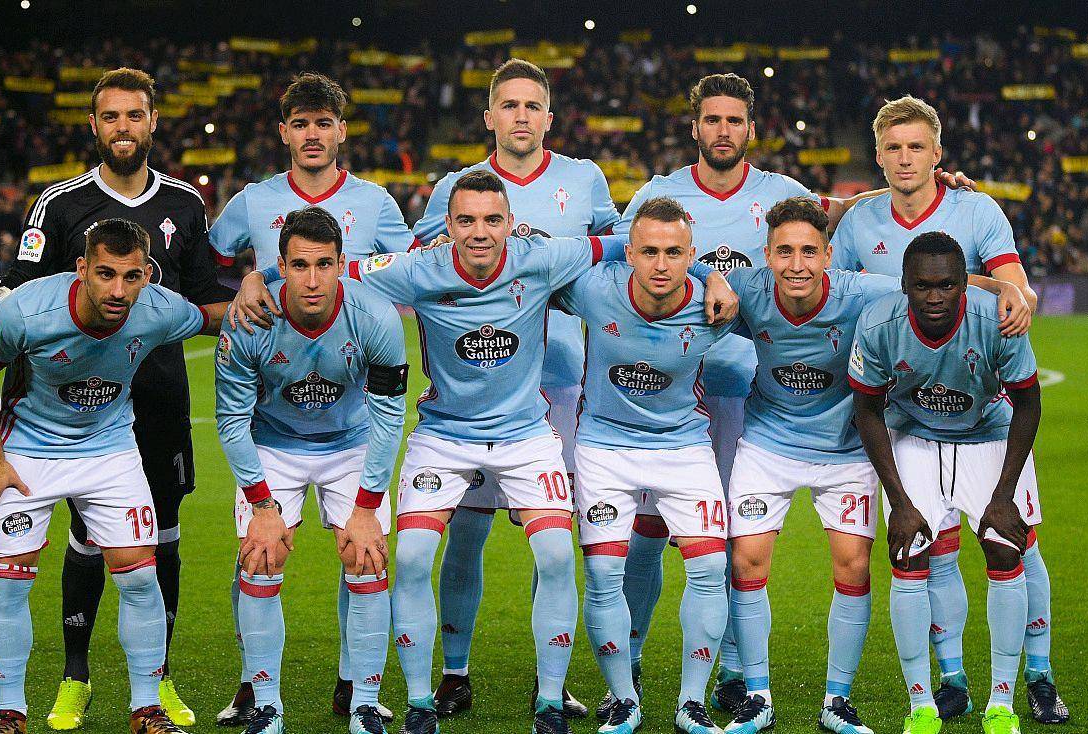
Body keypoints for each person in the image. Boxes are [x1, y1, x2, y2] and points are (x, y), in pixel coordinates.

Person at [238, 170, 731, 734]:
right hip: (443, 436)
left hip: (524, 435)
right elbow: (337, 267)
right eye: (467, 220)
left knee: (557, 555)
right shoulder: (417, 268)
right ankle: (420, 704)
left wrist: (708, 272)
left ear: (510, 223)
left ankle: (550, 703)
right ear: (447, 226)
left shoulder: (540, 258)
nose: (480, 232)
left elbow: (630, 245)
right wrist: (260, 277)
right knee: (412, 557)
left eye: (493, 220)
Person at [610, 73, 974, 721]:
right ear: (695, 127)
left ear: (751, 128)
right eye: (712, 119)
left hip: (752, 397)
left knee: (737, 547)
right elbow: (617, 255)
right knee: (653, 530)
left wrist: (928, 185)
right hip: (680, 396)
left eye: (735, 120)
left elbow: (834, 217)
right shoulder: (659, 194)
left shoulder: (783, 193)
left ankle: (735, 674)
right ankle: (630, 663)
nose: (723, 130)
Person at [0, 67, 233, 730]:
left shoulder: (185, 204)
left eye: (135, 115)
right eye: (111, 116)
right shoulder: (59, 205)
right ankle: (71, 678)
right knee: (67, 549)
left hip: (149, 403)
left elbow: (206, 304)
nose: (124, 127)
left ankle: (154, 689)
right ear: (94, 125)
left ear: (153, 121)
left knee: (156, 547)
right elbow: (18, 297)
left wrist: (263, 300)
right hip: (52, 405)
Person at [722, 198, 1028, 734]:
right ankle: (756, 695)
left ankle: (836, 700)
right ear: (766, 256)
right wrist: (711, 280)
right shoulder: (746, 288)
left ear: (828, 256)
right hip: (768, 443)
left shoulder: (863, 291)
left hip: (845, 449)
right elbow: (689, 275)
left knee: (854, 567)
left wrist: (1005, 288)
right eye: (784, 252)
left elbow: (932, 283)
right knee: (745, 561)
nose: (797, 264)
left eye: (809, 252)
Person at [832, 95, 1065, 724]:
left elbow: (1016, 289)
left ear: (938, 154)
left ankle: (1038, 674)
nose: (905, 158)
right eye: (893, 148)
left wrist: (1003, 292)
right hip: (907, 416)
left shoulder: (975, 209)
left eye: (917, 147)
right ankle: (953, 677)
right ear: (878, 156)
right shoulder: (858, 224)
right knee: (931, 551)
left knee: (1019, 547)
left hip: (985, 412)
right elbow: (837, 295)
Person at [411, 58, 618, 719]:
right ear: (489, 117)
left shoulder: (584, 179)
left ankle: (548, 680)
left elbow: (617, 253)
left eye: (533, 106)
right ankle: (455, 672)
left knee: (550, 541)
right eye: (509, 105)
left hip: (562, 385)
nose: (521, 116)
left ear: (549, 118)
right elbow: (423, 264)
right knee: (466, 534)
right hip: (477, 391)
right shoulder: (458, 189)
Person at [0, 219, 224, 734]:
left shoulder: (158, 309)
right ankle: (9, 713)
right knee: (10, 578)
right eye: (106, 274)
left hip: (109, 451)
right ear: (82, 269)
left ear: (147, 275)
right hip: (28, 451)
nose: (118, 290)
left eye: (131, 277)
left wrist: (268, 293)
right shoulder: (27, 310)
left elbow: (215, 316)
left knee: (141, 577)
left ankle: (146, 710)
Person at [210, 71, 411, 725]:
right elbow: (229, 419)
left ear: (341, 130)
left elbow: (410, 270)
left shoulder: (375, 212)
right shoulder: (253, 207)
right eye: (301, 123)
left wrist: (368, 507)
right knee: (260, 553)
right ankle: (261, 696)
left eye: (324, 122)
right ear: (284, 132)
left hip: (351, 434)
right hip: (276, 437)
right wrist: (249, 281)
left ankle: (362, 695)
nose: (313, 134)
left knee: (367, 553)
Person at [552, 196, 738, 734]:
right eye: (649, 251)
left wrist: (716, 280)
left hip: (684, 448)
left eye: (674, 253)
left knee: (710, 569)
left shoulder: (719, 306)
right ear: (627, 252)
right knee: (603, 573)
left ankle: (691, 702)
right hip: (604, 448)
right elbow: (528, 271)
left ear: (693, 256)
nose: (661, 265)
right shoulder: (594, 289)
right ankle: (623, 698)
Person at [849, 232, 1043, 734]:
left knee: (1005, 548)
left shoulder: (997, 319)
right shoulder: (878, 324)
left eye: (946, 285)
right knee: (907, 555)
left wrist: (1003, 496)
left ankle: (1002, 702)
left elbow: (1028, 403)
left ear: (964, 284)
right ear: (904, 284)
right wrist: (899, 501)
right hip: (914, 434)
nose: (934, 297)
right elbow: (867, 410)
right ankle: (921, 704)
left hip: (987, 432)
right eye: (922, 286)